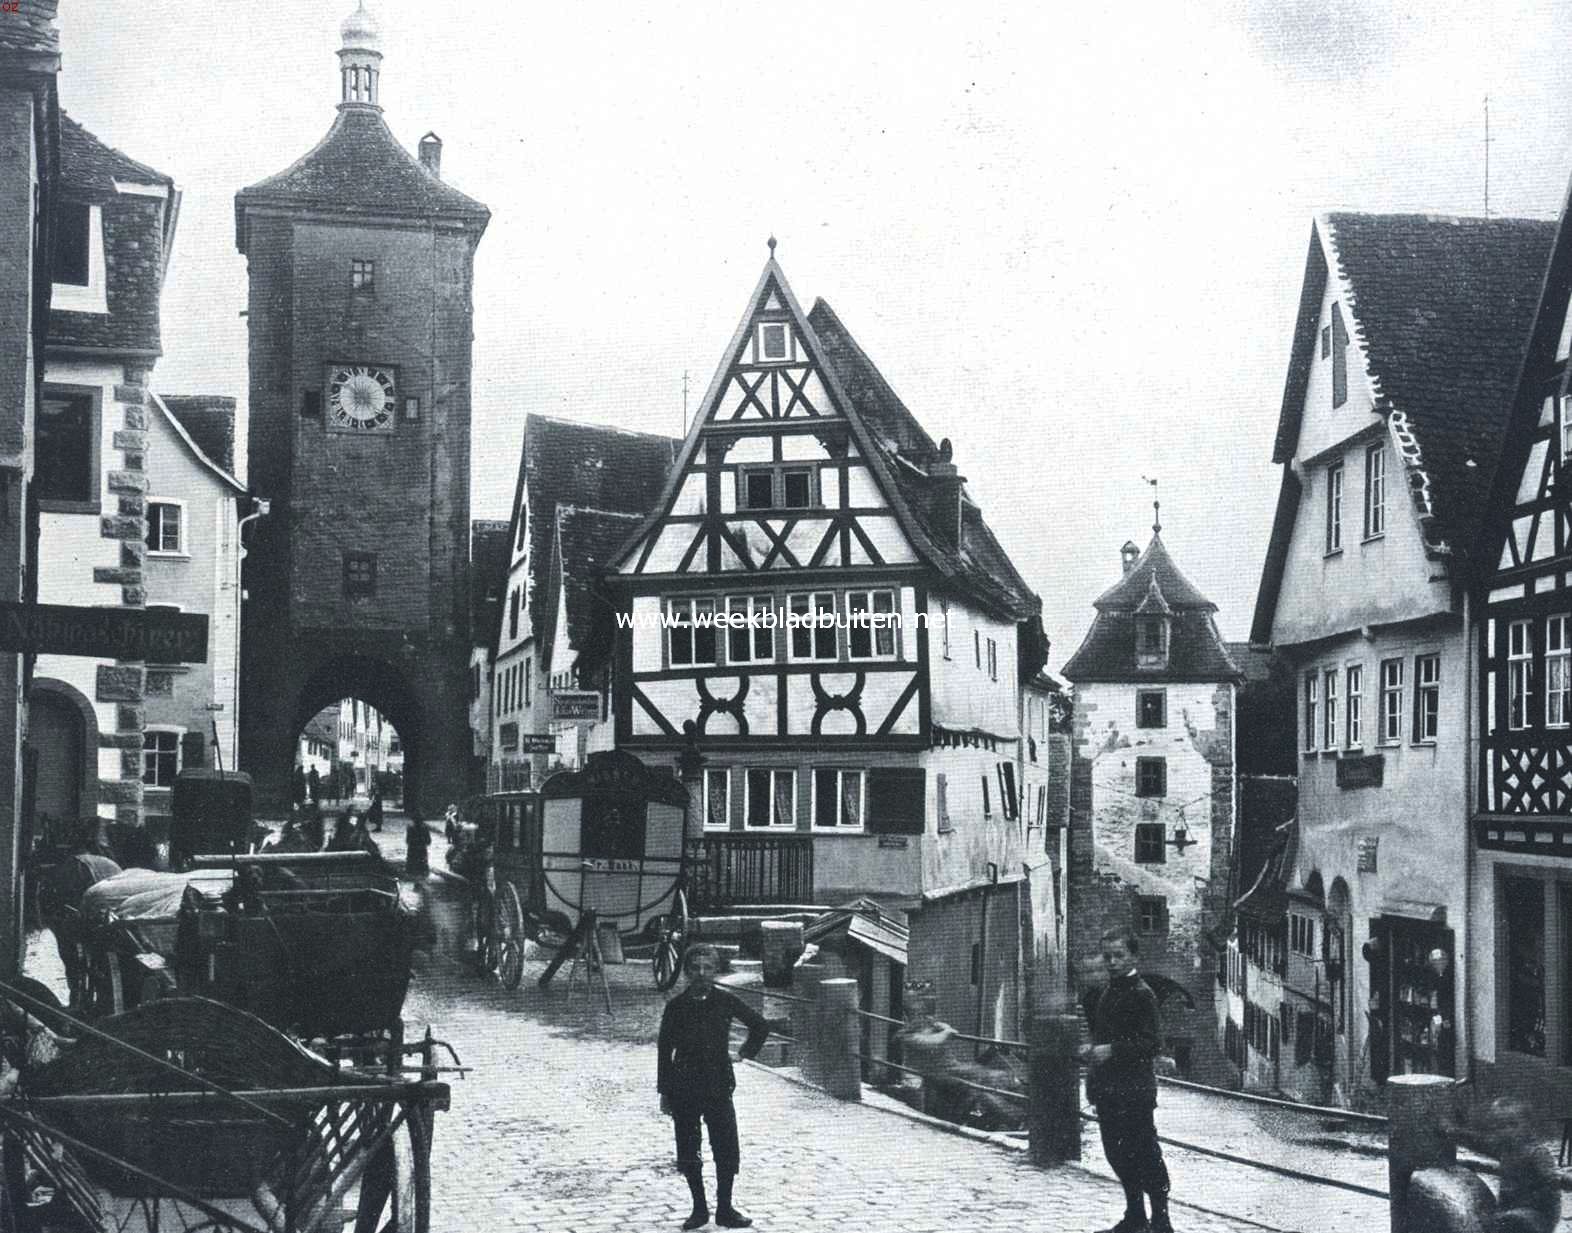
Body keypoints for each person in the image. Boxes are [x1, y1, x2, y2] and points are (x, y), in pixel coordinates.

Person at [657, 944, 770, 1230]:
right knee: (688, 1148)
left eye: (707, 968)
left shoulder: (725, 1001)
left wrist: (744, 1053)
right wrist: (665, 1092)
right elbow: (664, 1051)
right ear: (686, 972)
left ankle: (725, 1209)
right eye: (695, 968)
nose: (701, 974)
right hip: (684, 1088)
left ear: (716, 971)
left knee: (726, 1148)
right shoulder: (676, 1007)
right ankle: (699, 1210)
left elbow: (760, 1026)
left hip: (718, 1085)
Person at [1078, 927, 1172, 1233]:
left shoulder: (1142, 994)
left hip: (1134, 1091)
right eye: (1108, 956)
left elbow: (1152, 1043)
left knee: (1145, 1153)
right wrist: (1093, 1052)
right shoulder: (1109, 991)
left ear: (1133, 956)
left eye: (1119, 955)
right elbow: (1104, 1036)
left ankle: (1160, 1221)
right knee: (1117, 1154)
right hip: (1109, 1092)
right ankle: (1135, 1216)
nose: (1113, 962)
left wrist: (1112, 1050)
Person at [405, 812, 431, 877]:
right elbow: (428, 840)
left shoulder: (410, 827)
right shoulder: (425, 827)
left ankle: (412, 874)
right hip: (421, 848)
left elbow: (408, 839)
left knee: (412, 864)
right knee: (422, 863)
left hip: (412, 848)